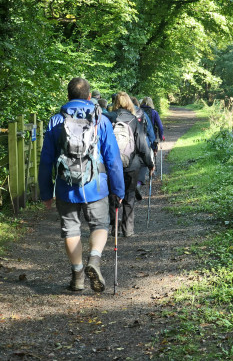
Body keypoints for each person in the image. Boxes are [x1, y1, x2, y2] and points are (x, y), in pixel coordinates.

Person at [38, 77, 125, 292]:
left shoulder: (56, 121)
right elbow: (112, 159)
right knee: (100, 225)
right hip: (96, 186)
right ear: (89, 96)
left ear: (68, 96)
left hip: (66, 187)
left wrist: (46, 192)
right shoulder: (100, 120)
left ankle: (77, 277)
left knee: (70, 230)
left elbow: (46, 160)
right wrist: (118, 190)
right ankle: (94, 261)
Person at [110, 92, 155, 237]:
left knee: (112, 195)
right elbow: (142, 146)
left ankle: (114, 228)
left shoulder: (108, 119)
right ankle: (128, 230)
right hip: (132, 164)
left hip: (112, 164)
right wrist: (150, 164)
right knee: (129, 196)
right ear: (129, 103)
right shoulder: (134, 120)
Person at [131, 96, 155, 192]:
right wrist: (153, 143)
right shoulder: (142, 114)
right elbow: (150, 130)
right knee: (143, 161)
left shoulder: (119, 114)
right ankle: (138, 183)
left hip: (126, 145)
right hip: (142, 140)